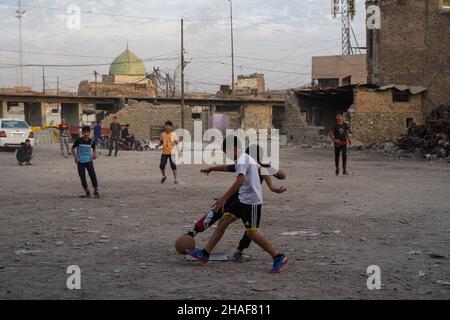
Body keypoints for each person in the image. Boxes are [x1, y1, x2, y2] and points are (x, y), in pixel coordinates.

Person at [186, 136, 288, 273]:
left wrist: (224, 198)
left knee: (251, 233)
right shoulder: (246, 158)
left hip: (251, 201)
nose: (227, 156)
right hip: (241, 199)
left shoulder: (243, 159)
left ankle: (278, 256)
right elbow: (252, 169)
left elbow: (241, 181)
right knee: (223, 222)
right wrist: (212, 168)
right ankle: (205, 254)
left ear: (233, 149)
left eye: (226, 153)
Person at [71, 126, 100, 198]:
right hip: (80, 162)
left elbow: (94, 148)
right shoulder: (78, 140)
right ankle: (87, 191)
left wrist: (94, 154)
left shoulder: (91, 141)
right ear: (82, 133)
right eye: (84, 132)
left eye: (87, 132)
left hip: (89, 161)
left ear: (89, 133)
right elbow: (72, 149)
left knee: (92, 175)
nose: (86, 134)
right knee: (82, 176)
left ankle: (96, 190)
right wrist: (76, 158)